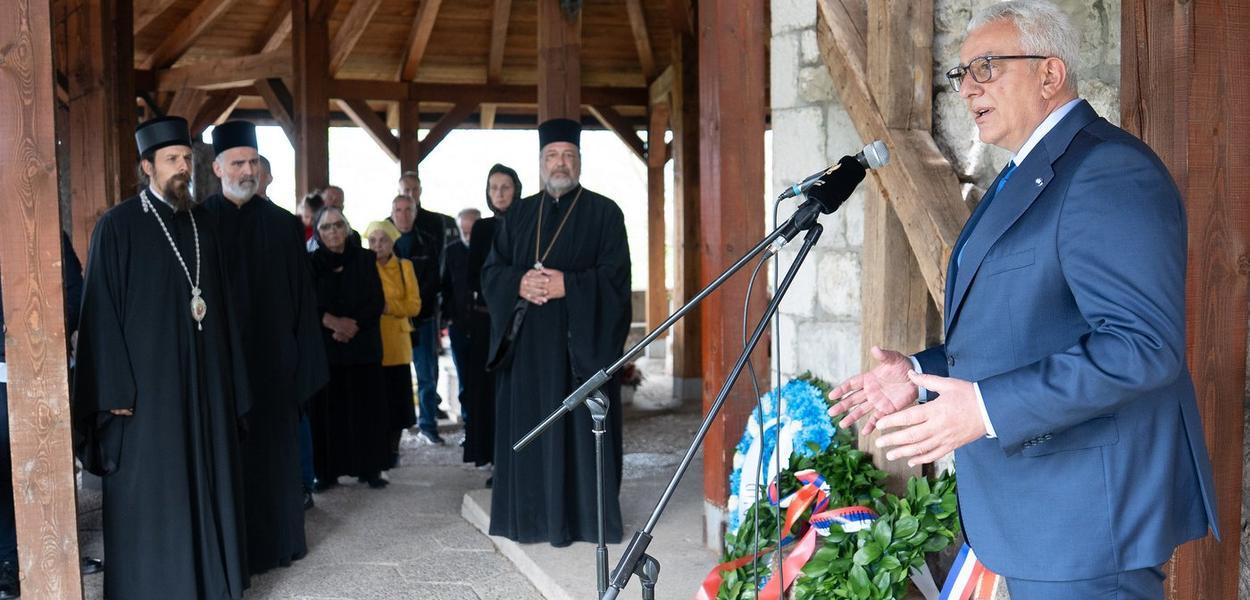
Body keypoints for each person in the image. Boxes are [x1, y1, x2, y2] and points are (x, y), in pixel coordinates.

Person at [827, 2, 1217, 597]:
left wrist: (984, 410)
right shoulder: (1026, 172)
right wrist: (922, 372)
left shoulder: (1106, 170)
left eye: (986, 66)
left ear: (1049, 74)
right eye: (961, 74)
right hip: (1043, 514)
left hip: (1086, 523)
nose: (966, 88)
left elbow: (1142, 347)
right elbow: (1028, 325)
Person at [74, 116, 250, 599]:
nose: (183, 169)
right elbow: (100, 316)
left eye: (188, 160)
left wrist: (230, 381)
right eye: (172, 160)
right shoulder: (117, 226)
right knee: (155, 491)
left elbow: (225, 310)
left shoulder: (204, 225)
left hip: (204, 384)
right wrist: (112, 393)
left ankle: (212, 583)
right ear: (147, 166)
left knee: (208, 480)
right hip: (146, 395)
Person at [484, 119, 631, 546]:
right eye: (552, 156)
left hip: (577, 353)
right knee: (531, 432)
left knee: (578, 437)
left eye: (568, 155)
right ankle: (527, 519)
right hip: (528, 354)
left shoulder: (605, 213)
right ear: (540, 162)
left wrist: (571, 284)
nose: (560, 163)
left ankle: (584, 522)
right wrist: (518, 283)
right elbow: (492, 271)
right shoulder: (518, 215)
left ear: (579, 161)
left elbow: (617, 282)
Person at [203, 121, 328, 574]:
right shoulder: (199, 224)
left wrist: (303, 366)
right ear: (217, 167)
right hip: (222, 371)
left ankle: (280, 543)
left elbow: (303, 299)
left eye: (253, 162)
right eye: (237, 162)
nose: (247, 170)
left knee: (276, 459)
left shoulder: (282, 225)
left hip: (275, 369)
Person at [0, 233, 84, 599]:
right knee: (5, 466)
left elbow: (77, 294)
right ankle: (7, 558)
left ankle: (57, 552)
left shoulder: (51, 234)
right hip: (1, 370)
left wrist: (40, 323)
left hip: (48, 361)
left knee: (51, 464)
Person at [307, 207, 390, 490]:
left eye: (338, 225)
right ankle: (327, 472)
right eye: (327, 227)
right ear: (318, 233)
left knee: (367, 410)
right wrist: (333, 323)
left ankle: (370, 469)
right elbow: (306, 304)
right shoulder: (310, 263)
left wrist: (351, 325)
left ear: (347, 228)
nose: (333, 232)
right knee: (329, 414)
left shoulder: (365, 259)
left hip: (362, 345)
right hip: (327, 350)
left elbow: (376, 301)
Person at [462, 165, 521, 471]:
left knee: (518, 392)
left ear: (517, 189)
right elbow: (474, 276)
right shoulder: (483, 228)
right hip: (488, 323)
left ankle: (521, 458)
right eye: (493, 188)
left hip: (521, 321)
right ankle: (496, 460)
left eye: (505, 187)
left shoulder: (528, 222)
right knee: (488, 393)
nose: (499, 194)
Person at [393, 179, 452, 444]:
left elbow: (433, 280)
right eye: (399, 210)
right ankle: (393, 429)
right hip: (391, 320)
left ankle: (428, 425)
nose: (404, 215)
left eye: (409, 210)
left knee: (427, 375)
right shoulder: (383, 241)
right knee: (394, 376)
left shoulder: (428, 240)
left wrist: (415, 307)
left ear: (415, 212)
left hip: (423, 316)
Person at [366, 221, 422, 469]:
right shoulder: (364, 266)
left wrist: (389, 307)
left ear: (392, 242)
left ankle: (393, 449)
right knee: (375, 402)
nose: (378, 246)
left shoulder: (404, 266)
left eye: (383, 240)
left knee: (398, 402)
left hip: (397, 344)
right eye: (373, 241)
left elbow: (414, 305)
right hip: (371, 341)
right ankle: (375, 449)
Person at [443, 208, 480, 421]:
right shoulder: (451, 250)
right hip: (458, 324)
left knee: (484, 379)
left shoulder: (492, 249)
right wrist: (448, 317)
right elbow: (445, 285)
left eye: (471, 231)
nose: (467, 237)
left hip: (484, 324)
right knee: (464, 379)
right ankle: (469, 425)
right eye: (463, 232)